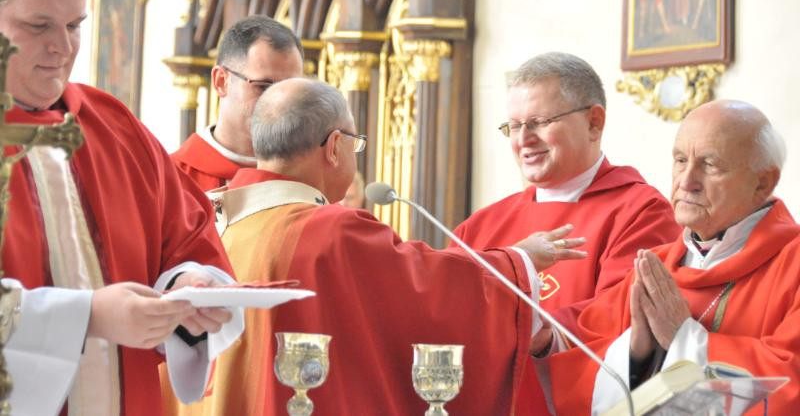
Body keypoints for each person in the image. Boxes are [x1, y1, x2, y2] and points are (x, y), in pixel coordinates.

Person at [164, 78, 587, 415]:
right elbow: (429, 290)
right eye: (356, 143)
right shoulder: (331, 231)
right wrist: (519, 262)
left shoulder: (212, 223)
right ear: (334, 147)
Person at [0, 0, 243, 415]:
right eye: (38, 26)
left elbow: (190, 244)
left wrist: (185, 292)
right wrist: (87, 317)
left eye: (74, 26)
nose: (63, 47)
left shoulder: (115, 129)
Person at [454, 52, 680, 414]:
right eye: (514, 126)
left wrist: (543, 333)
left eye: (540, 122)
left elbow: (625, 321)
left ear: (594, 122)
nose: (524, 139)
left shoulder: (641, 212)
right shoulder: (481, 225)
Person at [541, 100, 800, 413]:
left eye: (710, 165)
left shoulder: (793, 263)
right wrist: (638, 352)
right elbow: (579, 351)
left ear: (762, 182)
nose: (686, 182)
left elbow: (791, 383)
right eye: (680, 160)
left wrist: (684, 338)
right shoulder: (656, 266)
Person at [171, 15, 304, 191]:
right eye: (263, 87)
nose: (280, 104)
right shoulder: (171, 178)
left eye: (290, 89)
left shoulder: (309, 178)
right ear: (221, 81)